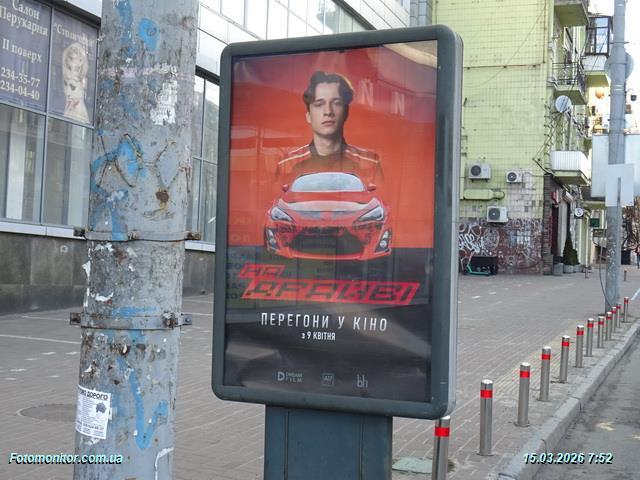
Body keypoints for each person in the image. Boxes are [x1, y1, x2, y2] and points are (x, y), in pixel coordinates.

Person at [276, 71, 382, 185]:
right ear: (308, 116)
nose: (328, 111)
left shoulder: (370, 163)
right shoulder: (287, 164)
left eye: (336, 103)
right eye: (319, 104)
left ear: (346, 112)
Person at [62, 42, 90, 124]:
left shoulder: (80, 115)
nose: (67, 92)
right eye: (65, 84)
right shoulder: (67, 107)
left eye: (72, 87)